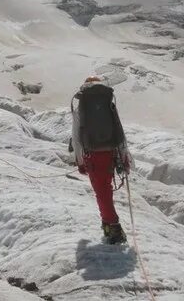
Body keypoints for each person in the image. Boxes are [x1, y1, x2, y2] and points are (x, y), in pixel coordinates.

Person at [70, 76, 132, 245]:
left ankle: (113, 227)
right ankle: (108, 225)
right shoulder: (108, 103)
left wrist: (80, 161)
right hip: (110, 152)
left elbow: (76, 137)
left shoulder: (82, 105)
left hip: (93, 155)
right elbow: (119, 130)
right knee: (105, 189)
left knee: (102, 191)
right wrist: (124, 156)